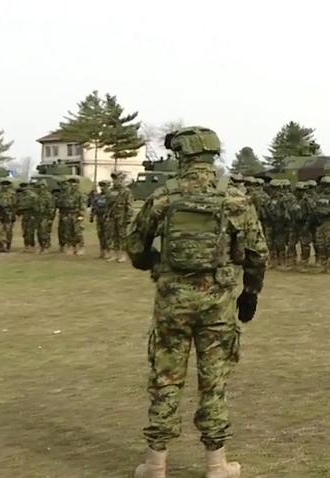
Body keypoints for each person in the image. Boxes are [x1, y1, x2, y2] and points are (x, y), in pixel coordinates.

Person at [127, 126, 267, 478]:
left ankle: (155, 465)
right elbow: (257, 253)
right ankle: (217, 465)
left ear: (182, 156)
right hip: (217, 303)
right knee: (214, 381)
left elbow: (135, 244)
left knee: (165, 379)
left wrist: (151, 261)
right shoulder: (234, 197)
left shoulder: (164, 196)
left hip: (173, 302)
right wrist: (250, 292)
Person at [105, 171, 134, 263]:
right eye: (114, 179)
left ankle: (123, 255)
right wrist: (107, 215)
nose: (115, 181)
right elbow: (108, 204)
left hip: (122, 217)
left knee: (122, 236)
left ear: (121, 179)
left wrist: (129, 218)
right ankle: (114, 254)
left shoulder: (126, 191)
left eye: (116, 179)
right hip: (112, 216)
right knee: (113, 235)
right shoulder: (110, 191)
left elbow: (129, 205)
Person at [56, 177, 86, 255]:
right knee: (68, 231)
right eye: (71, 183)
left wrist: (81, 216)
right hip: (67, 214)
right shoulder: (65, 194)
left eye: (74, 183)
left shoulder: (80, 194)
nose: (73, 185)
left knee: (77, 231)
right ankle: (72, 247)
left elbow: (83, 206)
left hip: (76, 214)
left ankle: (81, 247)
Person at [0, 179, 17, 252]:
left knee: (8, 230)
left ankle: (8, 245)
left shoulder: (13, 193)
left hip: (9, 214)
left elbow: (16, 204)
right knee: (0, 230)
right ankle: (1, 245)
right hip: (0, 214)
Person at [91, 180, 112, 259]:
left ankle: (108, 252)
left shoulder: (110, 196)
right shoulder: (98, 196)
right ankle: (102, 251)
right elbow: (94, 206)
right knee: (100, 234)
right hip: (99, 217)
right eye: (101, 186)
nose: (102, 188)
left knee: (107, 235)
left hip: (107, 217)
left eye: (104, 186)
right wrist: (92, 216)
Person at [33, 181, 55, 254]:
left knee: (44, 231)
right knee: (39, 232)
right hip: (38, 215)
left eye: (40, 186)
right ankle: (41, 245)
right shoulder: (37, 196)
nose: (39, 188)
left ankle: (45, 246)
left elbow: (51, 208)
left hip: (45, 216)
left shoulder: (48, 196)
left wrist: (50, 218)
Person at [16, 181, 37, 252]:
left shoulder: (32, 195)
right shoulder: (21, 196)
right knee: (25, 231)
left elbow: (35, 206)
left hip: (31, 215)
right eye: (22, 187)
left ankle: (31, 245)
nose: (24, 189)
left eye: (25, 187)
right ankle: (27, 245)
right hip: (24, 215)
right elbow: (17, 205)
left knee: (30, 231)